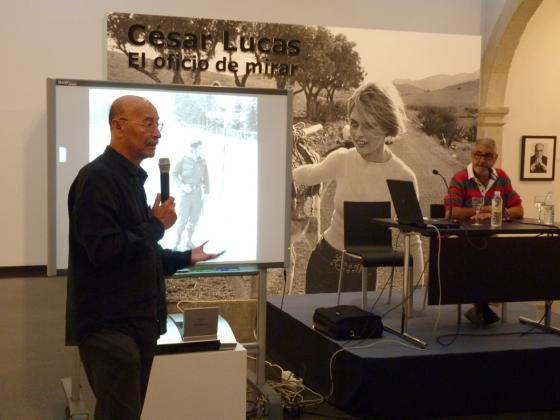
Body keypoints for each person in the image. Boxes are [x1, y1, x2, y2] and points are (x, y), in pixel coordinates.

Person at [66, 95, 221, 420]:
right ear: (118, 126)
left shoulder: (132, 179)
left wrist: (186, 257)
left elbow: (140, 254)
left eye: (158, 124)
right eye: (148, 123)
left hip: (138, 325)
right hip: (109, 329)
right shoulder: (97, 179)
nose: (157, 133)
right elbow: (104, 251)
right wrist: (154, 224)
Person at [293, 82, 424, 293]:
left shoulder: (404, 177)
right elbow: (308, 175)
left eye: (369, 125)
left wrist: (417, 292)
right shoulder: (342, 159)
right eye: (354, 124)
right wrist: (287, 160)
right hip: (323, 265)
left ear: (387, 126)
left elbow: (413, 239)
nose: (359, 134)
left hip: (363, 277)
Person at [444, 137, 523, 325]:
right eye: (478, 155)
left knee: (509, 252)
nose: (481, 160)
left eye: (487, 156)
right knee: (483, 253)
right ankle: (482, 305)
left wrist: (494, 212)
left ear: (494, 158)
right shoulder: (460, 178)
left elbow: (518, 210)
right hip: (464, 237)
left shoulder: (502, 177)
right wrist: (486, 210)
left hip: (492, 237)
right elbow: (451, 212)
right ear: (472, 155)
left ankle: (482, 305)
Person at [173, 140, 210, 249]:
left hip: (198, 195)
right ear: (193, 150)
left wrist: (207, 193)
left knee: (194, 220)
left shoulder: (203, 162)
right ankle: (177, 241)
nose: (202, 151)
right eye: (200, 149)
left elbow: (207, 180)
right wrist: (182, 186)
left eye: (202, 149)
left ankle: (189, 240)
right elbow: (174, 174)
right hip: (186, 195)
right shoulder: (183, 159)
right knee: (182, 220)